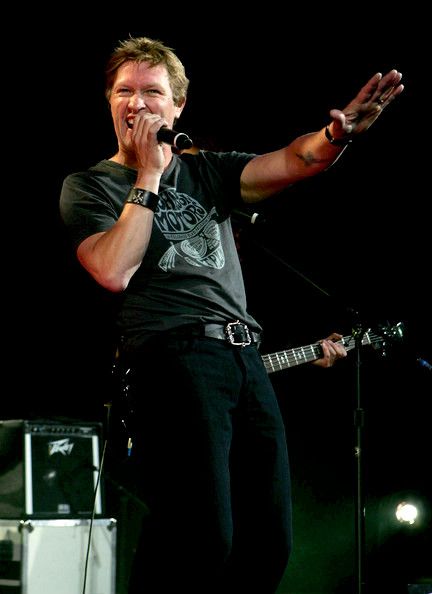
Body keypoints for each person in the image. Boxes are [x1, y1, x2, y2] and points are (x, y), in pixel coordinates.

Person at [59, 35, 403, 594]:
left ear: (178, 107)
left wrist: (336, 135)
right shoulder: (90, 185)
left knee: (268, 542)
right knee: (201, 536)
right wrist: (148, 175)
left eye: (152, 92)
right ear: (108, 102)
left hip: (243, 356)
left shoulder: (209, 171)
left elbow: (297, 159)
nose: (137, 103)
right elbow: (113, 270)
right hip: (172, 357)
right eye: (124, 92)